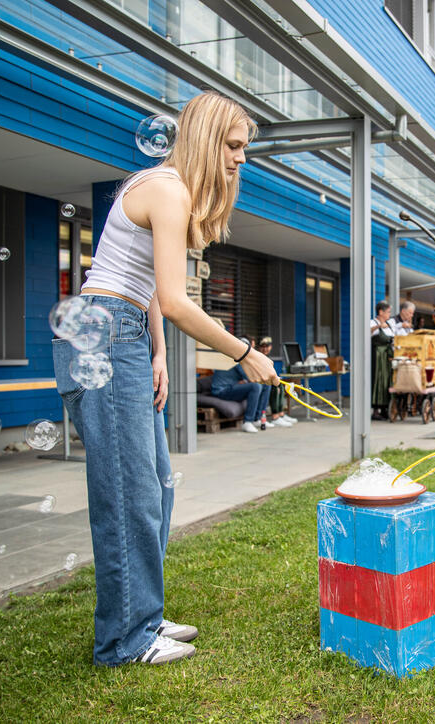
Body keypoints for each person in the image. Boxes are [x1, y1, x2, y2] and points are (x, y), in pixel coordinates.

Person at [53, 92, 278, 667]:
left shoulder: (169, 194)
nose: (241, 159)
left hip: (123, 333)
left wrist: (158, 354)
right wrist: (243, 351)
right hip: (105, 334)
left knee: (155, 484)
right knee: (128, 495)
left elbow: (149, 290)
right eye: (233, 145)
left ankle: (142, 616)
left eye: (245, 147)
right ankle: (123, 641)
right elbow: (176, 300)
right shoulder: (167, 189)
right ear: (205, 138)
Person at [210, 337, 276, 432]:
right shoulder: (237, 357)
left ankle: (257, 418)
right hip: (221, 390)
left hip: (230, 387)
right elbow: (250, 377)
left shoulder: (237, 357)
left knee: (266, 385)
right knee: (256, 386)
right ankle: (248, 422)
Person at [256, 336, 297, 427]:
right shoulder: (258, 357)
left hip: (266, 381)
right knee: (274, 388)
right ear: (259, 347)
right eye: (263, 347)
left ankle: (281, 414)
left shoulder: (268, 358)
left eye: (267, 346)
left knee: (280, 386)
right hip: (259, 382)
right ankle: (275, 417)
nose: (265, 349)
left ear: (270, 347)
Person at [370, 301, 396, 419]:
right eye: (388, 312)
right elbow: (366, 332)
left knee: (387, 381)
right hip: (377, 357)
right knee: (378, 381)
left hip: (387, 357)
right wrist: (379, 326)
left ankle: (385, 408)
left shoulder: (389, 324)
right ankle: (376, 410)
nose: (389, 314)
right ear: (381, 312)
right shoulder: (372, 323)